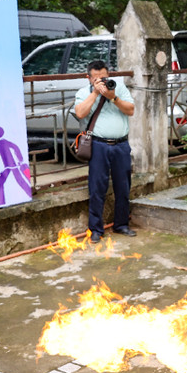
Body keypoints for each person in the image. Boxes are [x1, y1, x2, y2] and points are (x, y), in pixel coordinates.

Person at [73, 61, 136, 241]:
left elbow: (131, 110)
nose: (102, 81)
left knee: (123, 187)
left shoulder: (119, 87)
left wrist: (113, 97)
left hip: (121, 145)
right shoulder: (83, 93)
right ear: (89, 78)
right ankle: (95, 230)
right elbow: (80, 113)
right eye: (97, 79)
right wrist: (95, 93)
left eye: (104, 77)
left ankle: (121, 224)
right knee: (97, 188)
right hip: (98, 145)